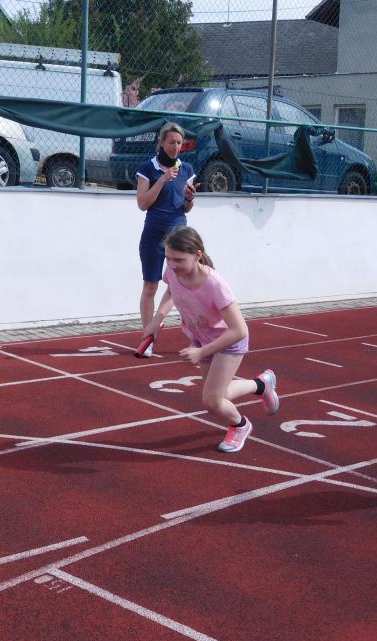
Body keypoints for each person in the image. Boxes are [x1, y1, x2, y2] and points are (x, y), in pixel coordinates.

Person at [142, 226, 278, 453]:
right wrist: (157, 320)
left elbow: (239, 329)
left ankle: (241, 425)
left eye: (178, 260)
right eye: (168, 258)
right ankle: (261, 385)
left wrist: (202, 352)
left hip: (227, 342)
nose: (172, 265)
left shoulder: (215, 285)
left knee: (212, 401)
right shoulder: (173, 271)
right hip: (201, 338)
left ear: (197, 255)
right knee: (219, 395)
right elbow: (170, 291)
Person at [136, 122, 198, 356]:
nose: (176, 147)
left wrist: (190, 199)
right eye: (171, 142)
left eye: (179, 143)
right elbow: (143, 204)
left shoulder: (187, 169)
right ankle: (147, 338)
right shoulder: (147, 168)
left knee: (181, 286)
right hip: (153, 233)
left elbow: (186, 207)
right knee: (150, 286)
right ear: (161, 142)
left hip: (179, 236)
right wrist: (162, 180)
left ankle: (195, 337)